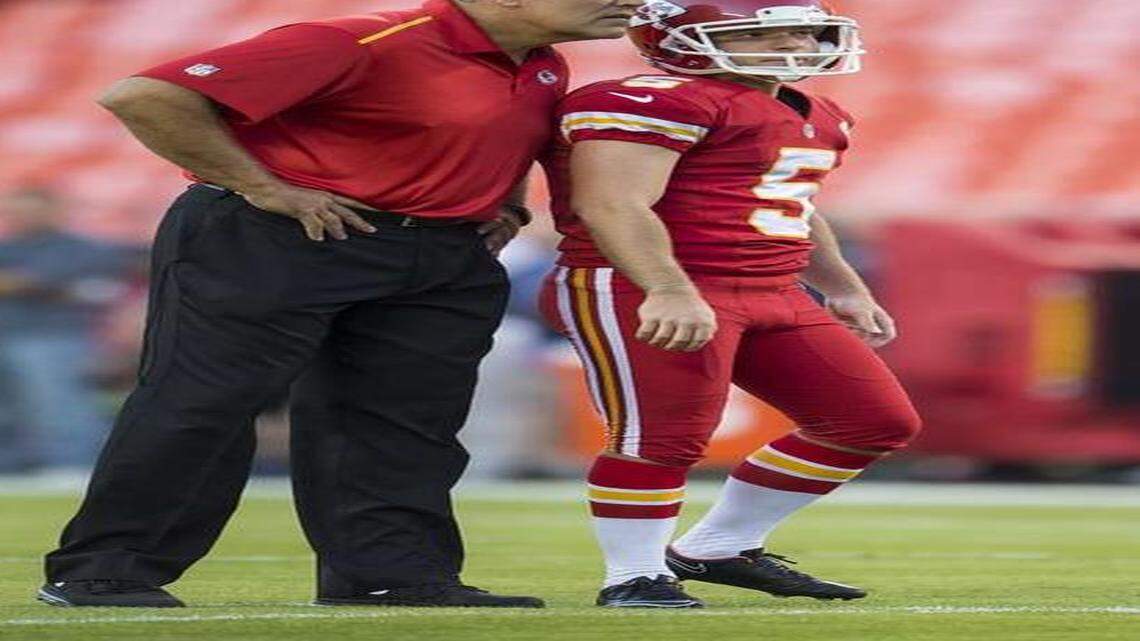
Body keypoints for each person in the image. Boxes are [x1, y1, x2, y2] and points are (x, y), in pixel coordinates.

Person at [39, 0, 642, 609]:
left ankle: (390, 574)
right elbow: (142, 96)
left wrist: (508, 199)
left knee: (407, 421)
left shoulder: (543, 65)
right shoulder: (359, 41)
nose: (627, 1)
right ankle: (104, 570)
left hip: (440, 251)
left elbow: (504, 135)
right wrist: (263, 186)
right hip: (281, 234)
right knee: (205, 402)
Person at [539, 0, 923, 608]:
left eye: (799, 29)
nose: (791, 42)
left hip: (771, 286)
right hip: (647, 283)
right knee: (660, 439)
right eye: (761, 33)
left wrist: (844, 284)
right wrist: (668, 288)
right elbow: (612, 204)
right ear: (680, 41)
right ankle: (633, 576)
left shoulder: (815, 111)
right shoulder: (648, 100)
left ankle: (719, 546)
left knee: (872, 420)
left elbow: (790, 203)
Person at [0, 188, 129, 475]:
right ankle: (16, 471)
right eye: (16, 209)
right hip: (8, 334)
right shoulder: (7, 246)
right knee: (10, 414)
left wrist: (24, 285)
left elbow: (40, 282)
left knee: (59, 409)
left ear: (55, 210)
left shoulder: (80, 248)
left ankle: (71, 469)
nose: (23, 216)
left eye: (31, 208)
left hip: (54, 338)